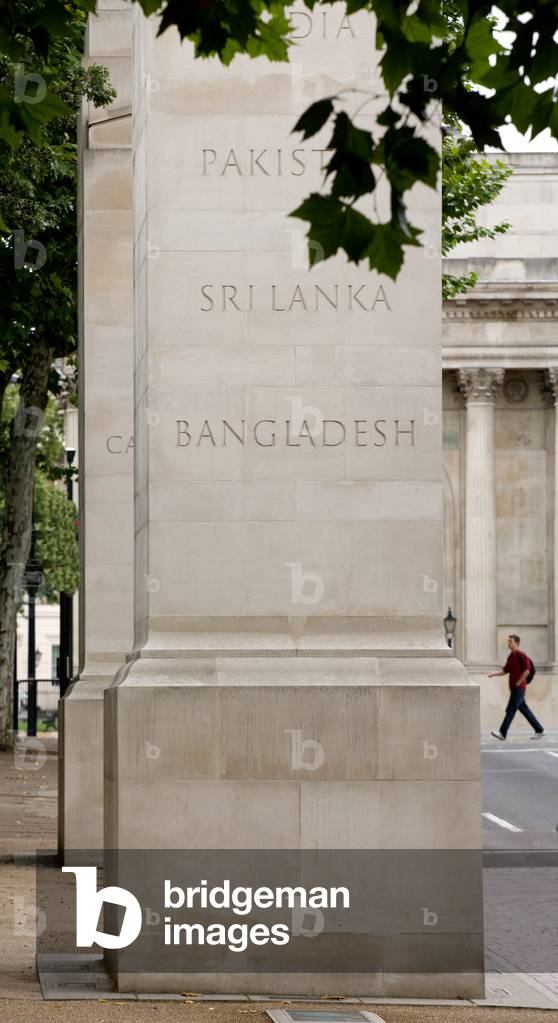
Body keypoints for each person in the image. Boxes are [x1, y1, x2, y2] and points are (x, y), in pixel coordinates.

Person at [488, 634, 545, 741]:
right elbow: (505, 670)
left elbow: (527, 671)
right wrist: (493, 674)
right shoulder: (511, 656)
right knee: (525, 710)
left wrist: (519, 683)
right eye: (508, 641)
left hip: (519, 688)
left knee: (510, 710)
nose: (508, 643)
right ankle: (539, 730)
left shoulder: (521, 655)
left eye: (511, 641)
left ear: (517, 643)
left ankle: (502, 733)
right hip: (515, 688)